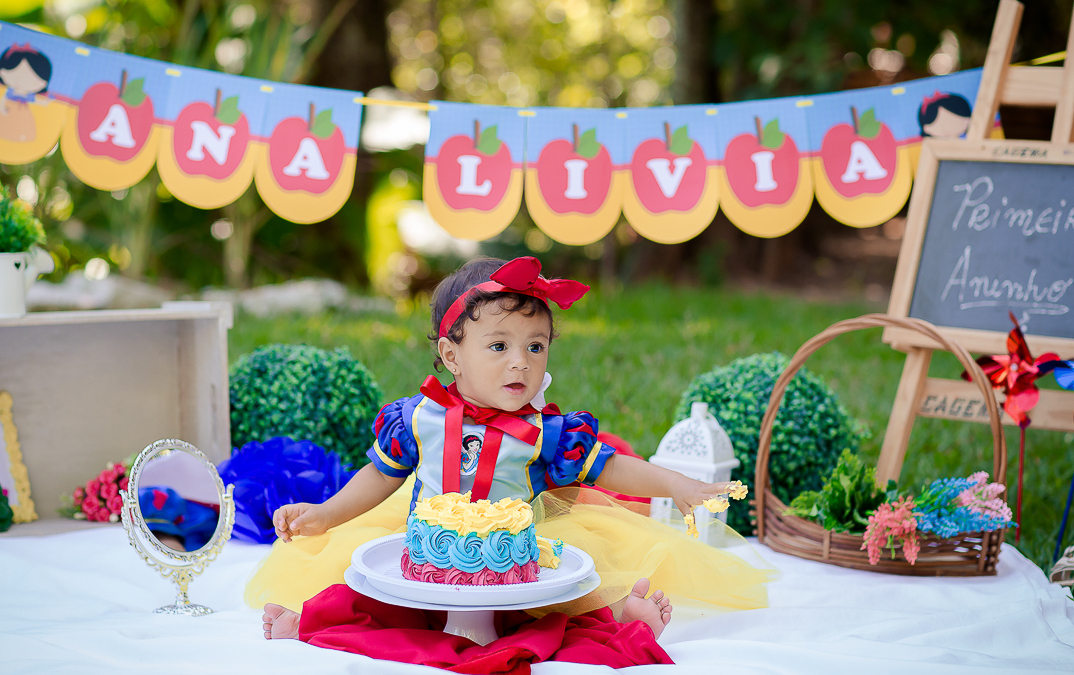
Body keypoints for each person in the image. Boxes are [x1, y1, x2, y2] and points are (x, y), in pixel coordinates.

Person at [253, 256, 773, 646]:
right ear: (451, 355)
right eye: (499, 346)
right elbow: (380, 475)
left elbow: (610, 467)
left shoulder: (546, 433)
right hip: (430, 557)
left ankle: (620, 613)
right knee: (370, 588)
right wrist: (325, 515)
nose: (520, 363)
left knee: (554, 601)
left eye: (535, 345)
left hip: (512, 564)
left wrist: (674, 483)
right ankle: (309, 620)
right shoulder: (418, 418)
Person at [0, 43, 52, 143]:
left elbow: (35, 100)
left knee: (20, 127)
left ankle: (18, 138)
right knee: (2, 125)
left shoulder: (27, 96)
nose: (22, 81)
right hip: (9, 109)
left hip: (23, 113)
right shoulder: (10, 92)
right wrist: (2, 107)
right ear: (2, 72)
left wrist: (44, 103)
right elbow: (3, 99)